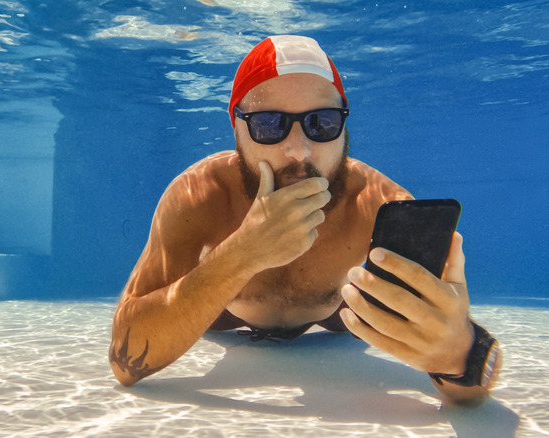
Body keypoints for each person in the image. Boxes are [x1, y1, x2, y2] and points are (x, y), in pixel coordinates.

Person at [109, 35, 500, 403]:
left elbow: (468, 393)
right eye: (268, 124)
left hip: (334, 319)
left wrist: (459, 352)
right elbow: (123, 362)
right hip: (225, 317)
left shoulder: (378, 203)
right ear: (236, 127)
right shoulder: (200, 195)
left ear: (344, 128)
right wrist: (242, 254)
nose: (299, 150)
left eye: (322, 122)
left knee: (357, 314)